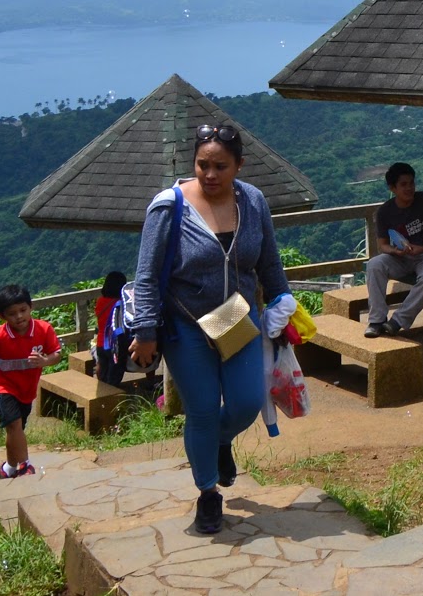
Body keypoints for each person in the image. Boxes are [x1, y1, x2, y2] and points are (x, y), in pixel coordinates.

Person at [128, 122, 294, 536]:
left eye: (221, 166)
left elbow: (269, 261)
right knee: (201, 409)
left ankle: (219, 443)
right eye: (202, 165)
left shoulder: (252, 201)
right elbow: (146, 275)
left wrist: (281, 303)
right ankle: (207, 493)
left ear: (239, 166)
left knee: (245, 403)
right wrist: (146, 331)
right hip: (185, 322)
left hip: (234, 317)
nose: (210, 174)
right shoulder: (169, 207)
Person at [0, 284, 63, 480]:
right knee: (14, 424)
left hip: (26, 391)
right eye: (12, 313)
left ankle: (9, 467)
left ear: (31, 307)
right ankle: (25, 465)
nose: (19, 317)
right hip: (0, 386)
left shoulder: (43, 329)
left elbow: (56, 354)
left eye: (23, 310)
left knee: (14, 429)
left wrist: (45, 361)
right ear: (2, 317)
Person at [364, 163, 423, 339]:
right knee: (375, 265)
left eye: (411, 183)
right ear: (393, 188)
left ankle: (398, 321)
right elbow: (382, 245)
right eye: (403, 184)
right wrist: (395, 251)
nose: (409, 188)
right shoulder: (385, 211)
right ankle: (376, 321)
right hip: (400, 257)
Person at [91, 271, 128, 385]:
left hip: (101, 343)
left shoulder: (100, 301)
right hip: (115, 345)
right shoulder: (121, 303)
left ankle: (102, 400)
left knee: (103, 378)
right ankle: (112, 401)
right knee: (114, 379)